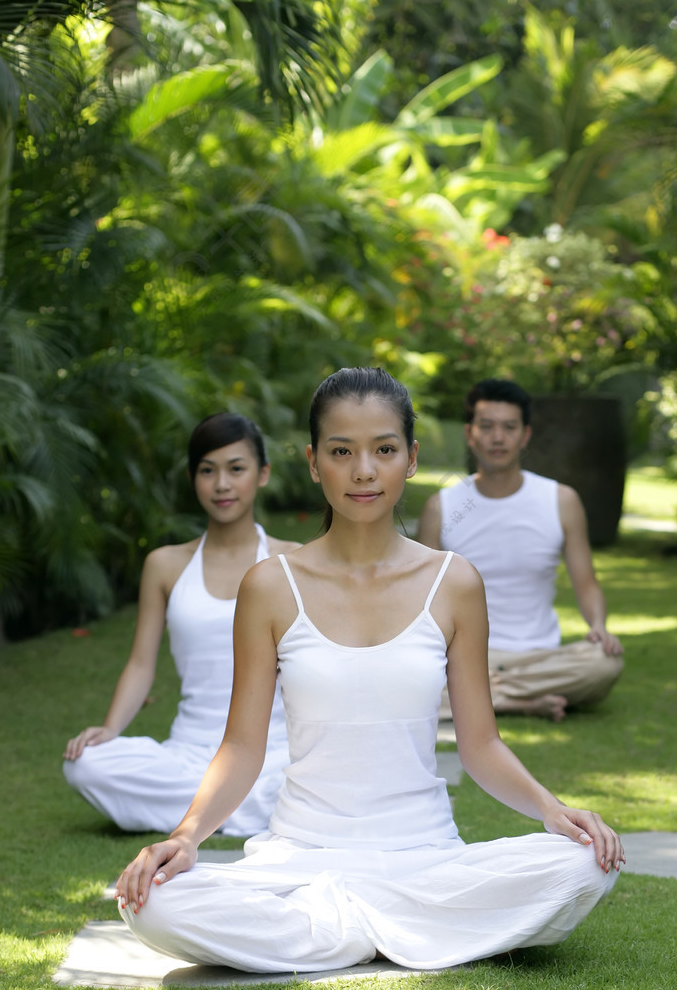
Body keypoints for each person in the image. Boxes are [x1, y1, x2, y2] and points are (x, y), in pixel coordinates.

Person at [115, 367, 622, 975]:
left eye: (383, 450)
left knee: (582, 862)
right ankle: (395, 930)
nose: (363, 471)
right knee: (151, 905)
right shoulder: (270, 586)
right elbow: (243, 747)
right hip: (299, 856)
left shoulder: (453, 582)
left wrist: (552, 809)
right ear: (312, 462)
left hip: (423, 856)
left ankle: (337, 929)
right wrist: (186, 836)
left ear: (409, 459)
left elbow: (481, 744)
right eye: (341, 451)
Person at [63, 412, 298, 837]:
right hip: (189, 753)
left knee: (316, 774)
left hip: (275, 753)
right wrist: (111, 729)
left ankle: (216, 807)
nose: (222, 484)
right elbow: (140, 664)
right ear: (193, 478)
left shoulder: (294, 561)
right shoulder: (165, 564)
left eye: (236, 469)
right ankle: (241, 808)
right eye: (208, 471)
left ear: (262, 474)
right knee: (84, 765)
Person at [417, 378, 623, 722]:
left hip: (540, 658)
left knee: (605, 662)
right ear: (470, 434)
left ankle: (482, 697)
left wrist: (599, 625)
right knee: (404, 674)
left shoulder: (561, 500)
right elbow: (421, 597)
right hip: (466, 656)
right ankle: (519, 701)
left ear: (525, 435)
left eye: (509, 427)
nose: (498, 438)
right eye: (487, 427)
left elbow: (586, 583)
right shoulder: (441, 507)